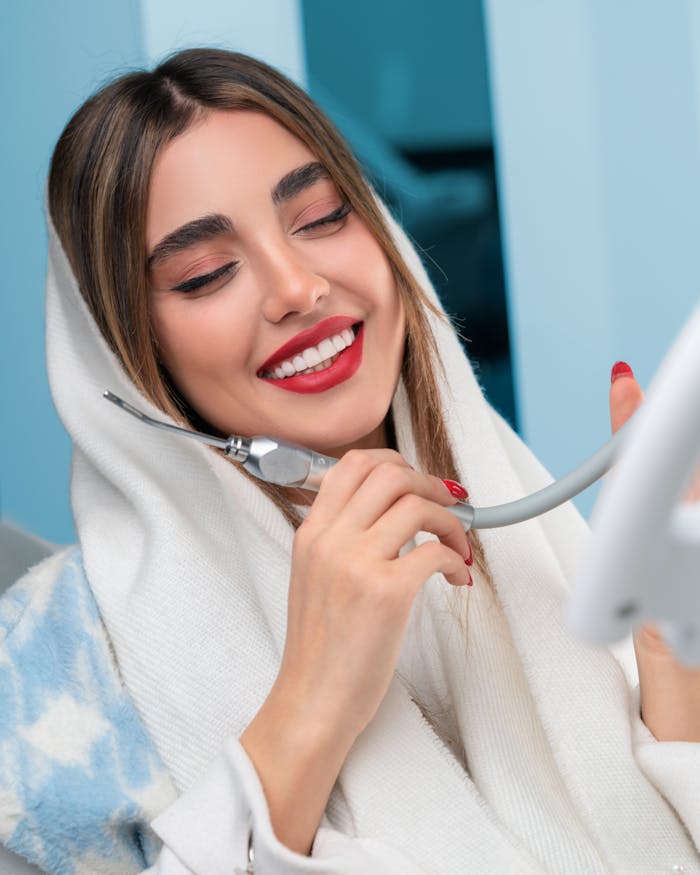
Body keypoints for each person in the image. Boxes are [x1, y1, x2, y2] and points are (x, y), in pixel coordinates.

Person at [1, 48, 699, 875]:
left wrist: (671, 652)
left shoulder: (547, 548)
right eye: (206, 272)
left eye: (325, 216)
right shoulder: (45, 674)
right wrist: (310, 703)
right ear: (122, 358)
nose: (297, 286)